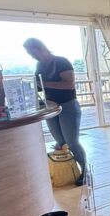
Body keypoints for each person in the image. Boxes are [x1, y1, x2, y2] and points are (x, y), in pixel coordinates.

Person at [23, 38, 87, 186]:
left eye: (32, 52)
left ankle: (85, 172)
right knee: (60, 141)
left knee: (72, 142)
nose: (32, 56)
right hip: (51, 107)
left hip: (68, 106)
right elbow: (39, 87)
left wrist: (44, 83)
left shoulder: (61, 61)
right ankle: (68, 170)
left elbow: (69, 85)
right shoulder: (40, 65)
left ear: (40, 48)